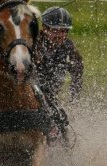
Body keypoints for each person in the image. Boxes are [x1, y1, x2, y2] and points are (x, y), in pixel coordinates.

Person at [34, 7, 84, 146]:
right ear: (44, 28)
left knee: (61, 120)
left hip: (51, 95)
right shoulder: (33, 43)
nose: (59, 35)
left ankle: (66, 151)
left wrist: (74, 100)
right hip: (31, 92)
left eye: (63, 31)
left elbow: (77, 72)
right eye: (54, 30)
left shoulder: (68, 47)